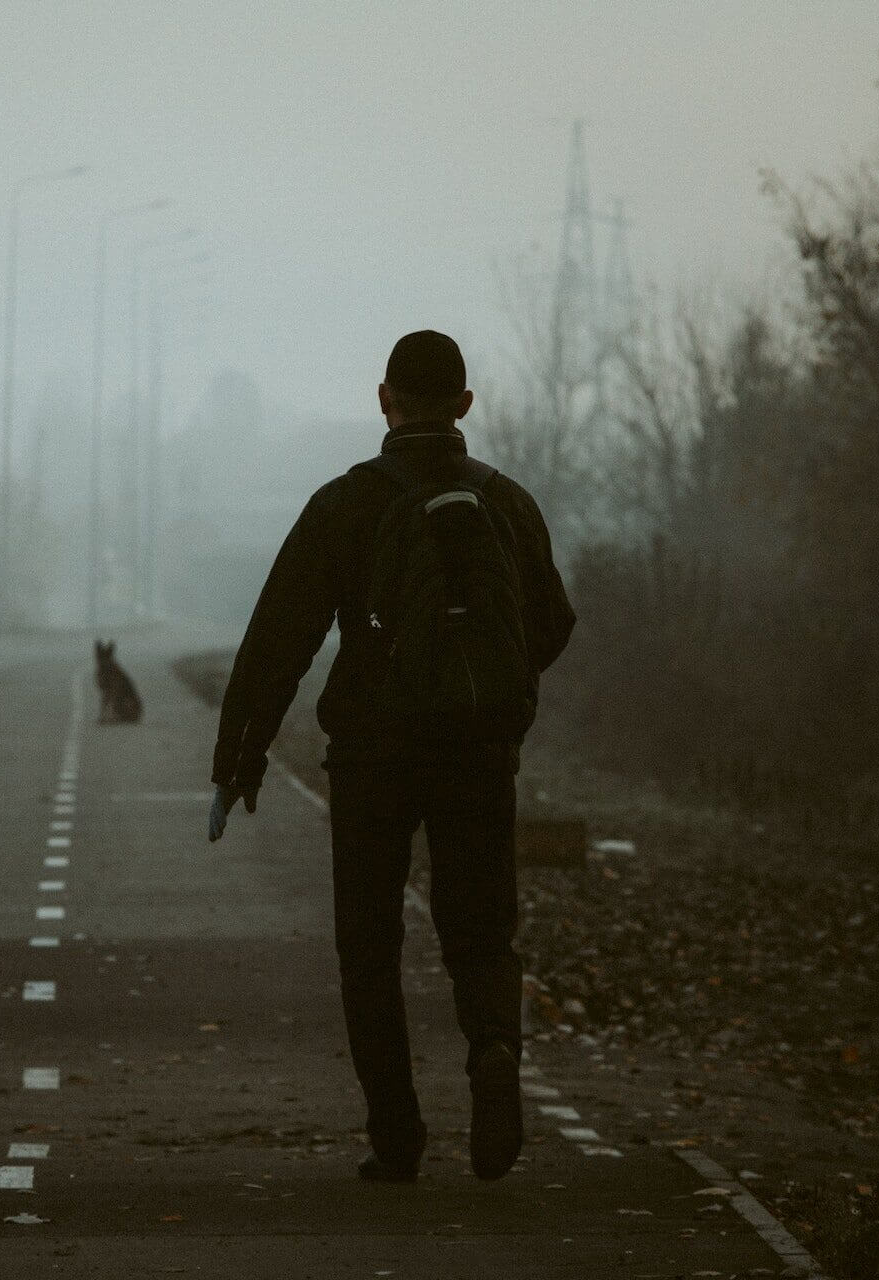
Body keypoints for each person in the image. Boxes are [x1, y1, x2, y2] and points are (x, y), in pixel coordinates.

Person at [205, 330, 575, 1183]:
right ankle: (492, 1052)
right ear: (467, 406)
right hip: (479, 757)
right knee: (481, 930)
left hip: (371, 758)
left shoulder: (347, 504)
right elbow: (549, 624)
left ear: (385, 400)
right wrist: (485, 694)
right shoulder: (507, 503)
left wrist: (240, 760)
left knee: (369, 944)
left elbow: (280, 638)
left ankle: (397, 1135)